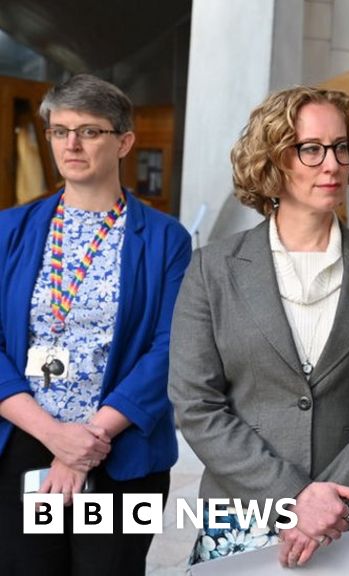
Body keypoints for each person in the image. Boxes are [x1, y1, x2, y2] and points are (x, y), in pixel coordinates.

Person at [169, 86, 349, 573]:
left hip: (347, 514)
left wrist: (327, 503)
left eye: (341, 147)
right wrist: (294, 498)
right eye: (310, 148)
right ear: (271, 160)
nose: (331, 164)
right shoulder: (212, 269)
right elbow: (195, 403)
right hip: (243, 513)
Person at [0, 74, 191, 574]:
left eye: (89, 131)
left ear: (124, 141)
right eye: (59, 131)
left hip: (124, 451)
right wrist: (53, 436)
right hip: (23, 444)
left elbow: (171, 348)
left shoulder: (168, 240)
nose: (71, 144)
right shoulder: (8, 231)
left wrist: (84, 443)